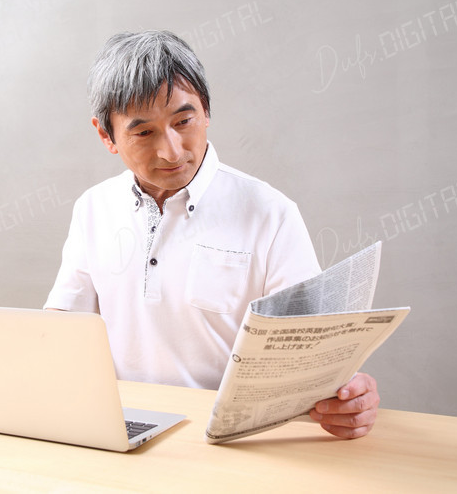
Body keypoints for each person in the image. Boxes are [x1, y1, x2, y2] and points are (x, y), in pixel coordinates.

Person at [44, 30, 380, 439]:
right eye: (144, 132)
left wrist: (346, 396)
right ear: (106, 136)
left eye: (184, 121)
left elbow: (314, 359)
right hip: (121, 430)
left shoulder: (270, 214)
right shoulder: (92, 208)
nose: (171, 150)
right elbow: (62, 330)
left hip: (231, 440)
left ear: (206, 111)